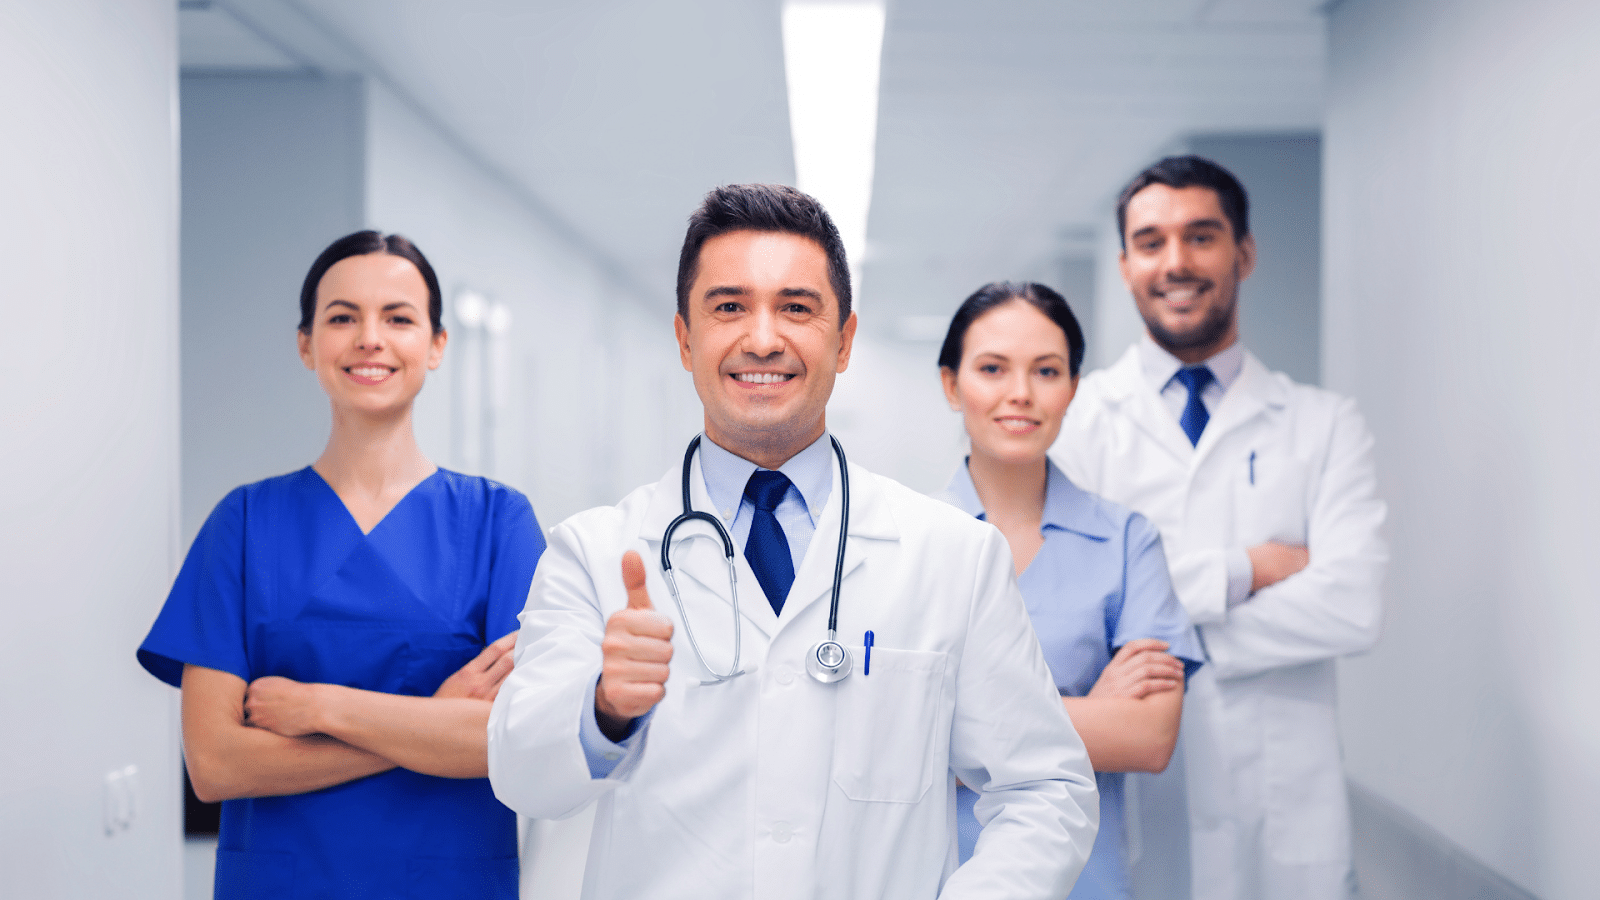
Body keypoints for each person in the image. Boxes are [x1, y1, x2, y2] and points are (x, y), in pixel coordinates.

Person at [488, 184, 1097, 900]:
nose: (764, 338)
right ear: (685, 339)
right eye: (729, 307)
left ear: (843, 342)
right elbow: (521, 776)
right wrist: (603, 708)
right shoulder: (592, 553)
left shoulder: (953, 555)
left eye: (797, 308)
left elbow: (1046, 790)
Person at [137, 231, 544, 900]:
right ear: (306, 345)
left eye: (399, 318)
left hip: (444, 882)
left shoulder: (498, 523)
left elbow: (506, 740)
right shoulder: (242, 525)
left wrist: (320, 706)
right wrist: (427, 720)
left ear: (437, 345)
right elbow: (213, 763)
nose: (370, 338)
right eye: (342, 317)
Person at [1051, 156, 1387, 900]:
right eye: (1151, 241)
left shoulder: (1324, 426)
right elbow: (1072, 612)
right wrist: (1246, 570)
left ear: (1244, 252)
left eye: (1201, 236)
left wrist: (1154, 634)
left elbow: (1351, 606)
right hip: (1136, 813)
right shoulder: (1076, 425)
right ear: (1125, 264)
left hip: (1285, 812)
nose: (1176, 262)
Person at [934, 281, 1204, 900]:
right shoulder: (904, 543)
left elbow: (1148, 737)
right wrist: (1095, 708)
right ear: (952, 384)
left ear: (1073, 389)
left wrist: (951, 725)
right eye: (993, 368)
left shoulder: (1127, 542)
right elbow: (881, 741)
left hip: (1085, 880)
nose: (1020, 393)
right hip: (942, 878)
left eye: (1047, 370)